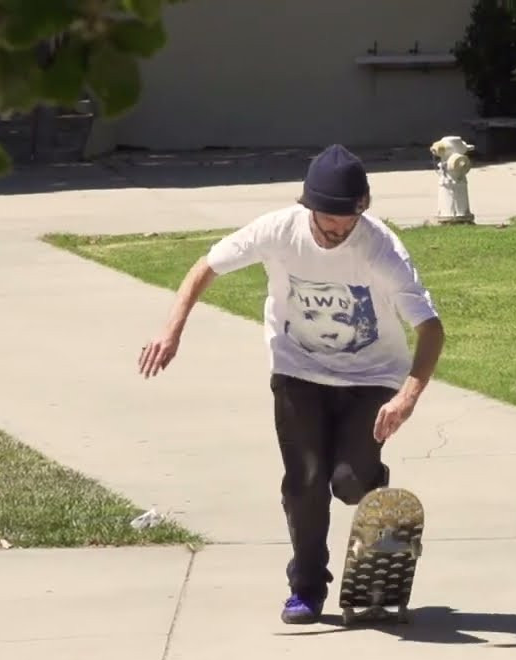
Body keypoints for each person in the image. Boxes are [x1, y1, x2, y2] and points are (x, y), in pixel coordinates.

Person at [137, 144, 445, 624]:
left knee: (348, 482)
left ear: (362, 208)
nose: (336, 236)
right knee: (304, 482)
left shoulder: (382, 249)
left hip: (370, 378)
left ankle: (370, 481)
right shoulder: (277, 230)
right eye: (327, 226)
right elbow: (206, 267)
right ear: (307, 207)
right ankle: (306, 588)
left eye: (347, 226)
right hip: (298, 369)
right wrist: (171, 330)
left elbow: (431, 329)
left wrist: (407, 396)